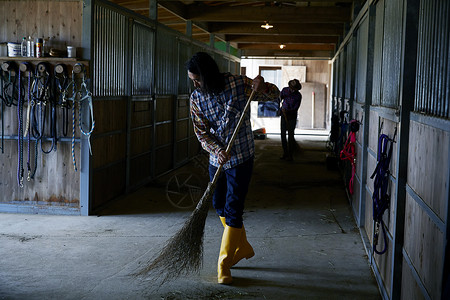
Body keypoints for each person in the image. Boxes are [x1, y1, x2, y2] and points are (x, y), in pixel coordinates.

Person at [187, 52, 280, 285]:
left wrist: (262, 85)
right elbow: (201, 132)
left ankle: (224, 262)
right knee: (219, 204)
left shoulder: (238, 84)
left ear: (208, 75)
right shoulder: (197, 98)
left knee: (234, 208)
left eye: (197, 79)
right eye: (192, 80)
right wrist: (216, 150)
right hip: (217, 159)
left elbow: (274, 94)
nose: (195, 84)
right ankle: (244, 246)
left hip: (241, 157)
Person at [279, 79, 302, 161]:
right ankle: (285, 153)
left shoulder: (298, 95)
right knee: (283, 135)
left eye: (295, 89)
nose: (293, 90)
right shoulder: (285, 90)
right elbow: (279, 98)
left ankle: (290, 155)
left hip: (292, 116)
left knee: (291, 135)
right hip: (283, 115)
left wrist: (288, 111)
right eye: (292, 88)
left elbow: (296, 107)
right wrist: (280, 108)